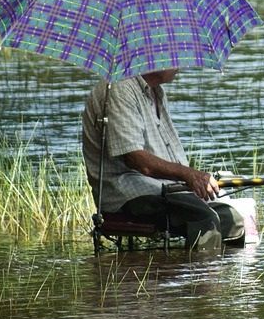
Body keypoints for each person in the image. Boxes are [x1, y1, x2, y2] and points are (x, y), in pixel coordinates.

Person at [82, 68, 243, 252]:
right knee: (204, 218)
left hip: (162, 188)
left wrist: (194, 180)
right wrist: (189, 175)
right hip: (127, 194)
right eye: (174, 59)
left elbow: (167, 158)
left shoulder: (155, 91)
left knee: (232, 219)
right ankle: (200, 279)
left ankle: (228, 277)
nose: (179, 65)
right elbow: (137, 160)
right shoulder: (120, 88)